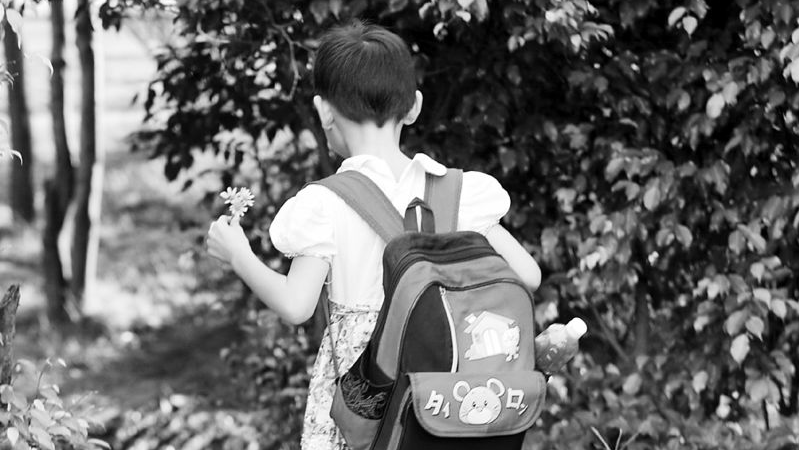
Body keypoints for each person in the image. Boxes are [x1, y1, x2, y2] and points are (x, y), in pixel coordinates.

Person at [206, 20, 541, 450]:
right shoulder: (462, 193)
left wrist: (239, 256)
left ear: (324, 111)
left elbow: (296, 305)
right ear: (414, 106)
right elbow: (527, 276)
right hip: (447, 399)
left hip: (368, 402)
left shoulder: (326, 204)